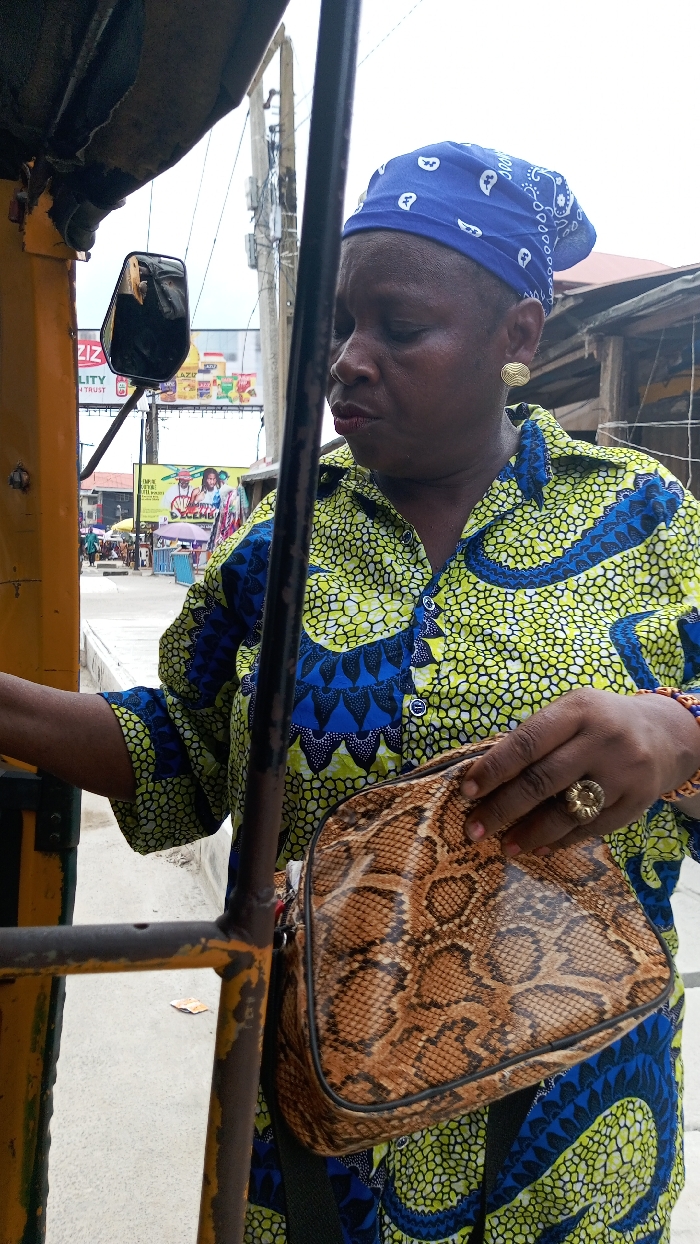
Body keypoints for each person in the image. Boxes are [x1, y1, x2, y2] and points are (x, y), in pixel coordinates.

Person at [0, 141, 699, 1241]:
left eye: (399, 327)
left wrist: (676, 731)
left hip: (578, 1135)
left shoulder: (645, 518)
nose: (347, 362)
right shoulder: (279, 541)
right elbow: (176, 749)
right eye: (338, 326)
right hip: (326, 1144)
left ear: (518, 337)